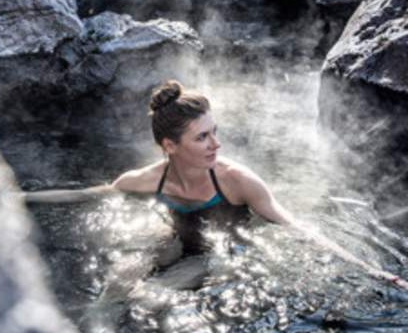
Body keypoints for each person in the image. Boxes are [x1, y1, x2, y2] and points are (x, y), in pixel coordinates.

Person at [24, 80, 408, 289]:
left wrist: (375, 273)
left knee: (152, 297)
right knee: (116, 285)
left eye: (214, 133)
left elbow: (300, 229)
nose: (216, 144)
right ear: (169, 146)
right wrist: (19, 197)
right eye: (202, 138)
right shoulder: (146, 179)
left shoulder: (237, 182)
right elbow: (88, 195)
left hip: (223, 255)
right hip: (174, 240)